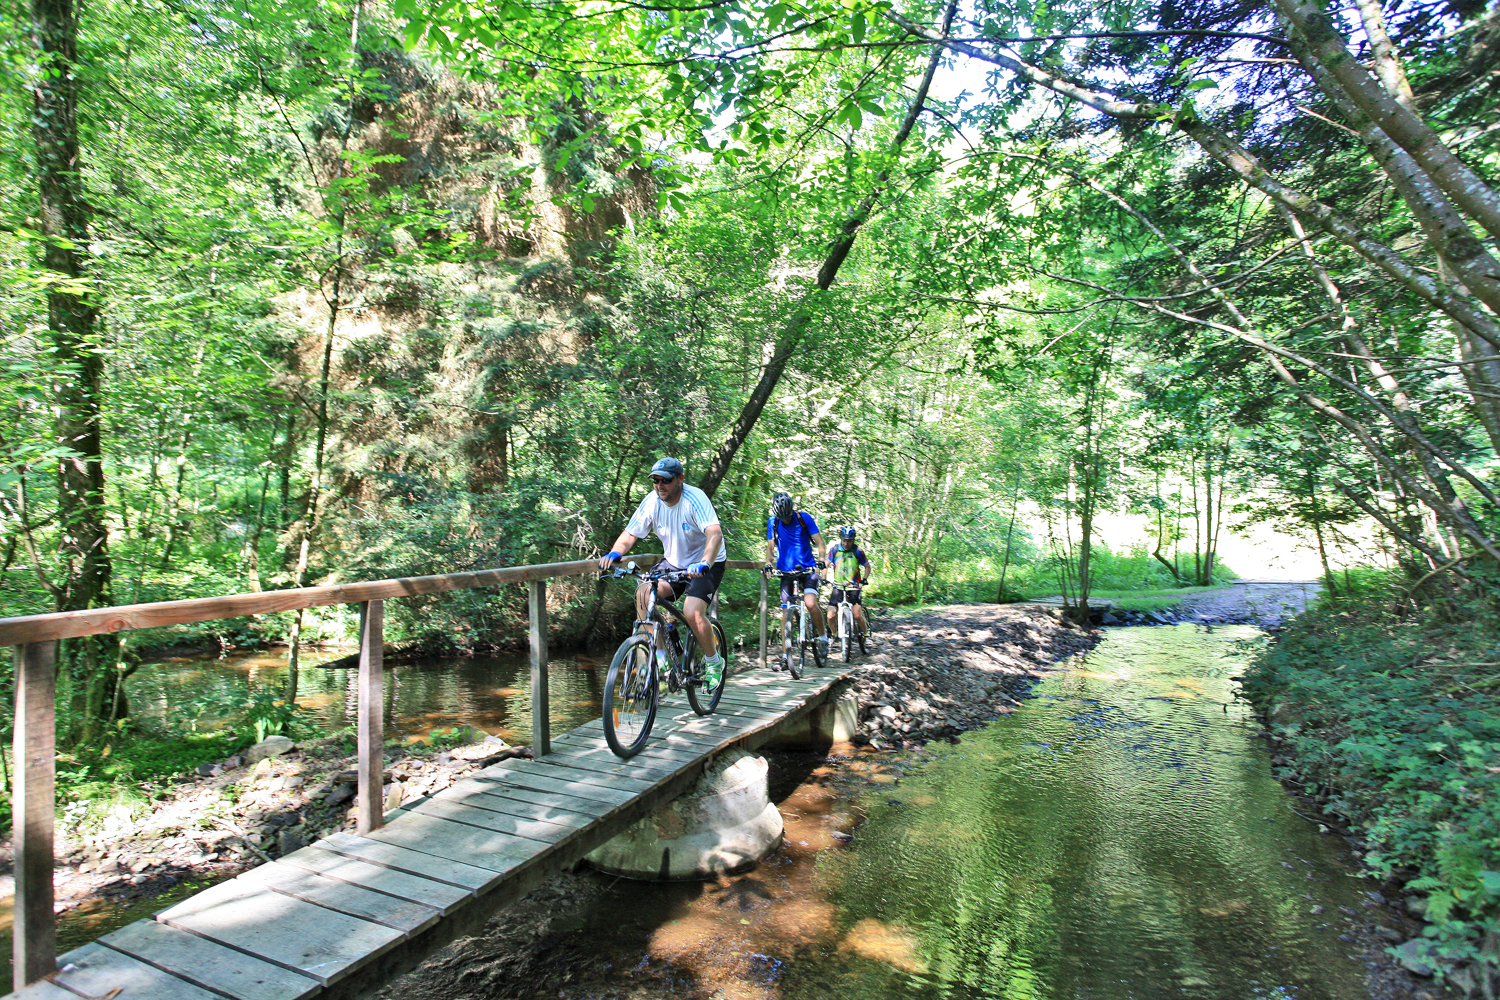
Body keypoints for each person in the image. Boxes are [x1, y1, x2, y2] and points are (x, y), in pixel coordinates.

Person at [598, 457, 727, 688]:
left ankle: (714, 662)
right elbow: (630, 534)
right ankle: (660, 658)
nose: (660, 486)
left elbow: (715, 534)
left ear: (680, 479)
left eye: (665, 480)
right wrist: (614, 553)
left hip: (707, 562)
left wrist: (705, 562)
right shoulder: (651, 502)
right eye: (655, 481)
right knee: (643, 594)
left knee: (692, 612)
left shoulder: (694, 499)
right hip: (674, 562)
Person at [763, 491, 828, 663]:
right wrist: (769, 563)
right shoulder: (773, 522)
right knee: (785, 613)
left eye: (787, 517)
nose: (784, 520)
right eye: (781, 517)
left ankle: (823, 638)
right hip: (786, 571)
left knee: (811, 603)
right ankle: (786, 656)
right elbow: (770, 547)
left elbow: (820, 542)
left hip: (807, 569)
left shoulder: (803, 518)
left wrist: (821, 560)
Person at [826, 525, 871, 642]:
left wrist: (864, 580)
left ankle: (866, 635)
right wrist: (824, 579)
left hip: (854, 587)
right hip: (838, 587)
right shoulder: (834, 550)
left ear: (853, 540)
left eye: (849, 541)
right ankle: (834, 635)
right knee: (830, 615)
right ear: (841, 539)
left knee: (857, 615)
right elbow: (825, 565)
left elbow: (867, 566)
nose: (847, 543)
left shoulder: (858, 551)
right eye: (844, 540)